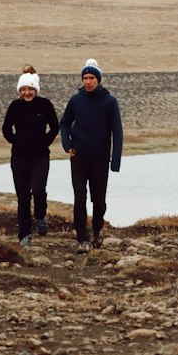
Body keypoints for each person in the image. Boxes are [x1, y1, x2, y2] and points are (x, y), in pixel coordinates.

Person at [59, 58, 123, 251]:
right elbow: (64, 123)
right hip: (78, 157)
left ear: (98, 79)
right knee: (79, 198)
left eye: (91, 78)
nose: (88, 81)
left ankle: (97, 230)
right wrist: (67, 145)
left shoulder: (110, 102)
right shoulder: (76, 100)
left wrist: (116, 161)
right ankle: (82, 238)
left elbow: (117, 131)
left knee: (98, 199)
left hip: (100, 158)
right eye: (85, 78)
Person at [1, 65, 60, 247]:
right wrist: (15, 141)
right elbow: (6, 128)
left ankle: (41, 216)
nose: (27, 93)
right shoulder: (15, 106)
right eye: (24, 89)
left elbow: (55, 127)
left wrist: (45, 142)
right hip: (19, 158)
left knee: (39, 191)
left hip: (40, 157)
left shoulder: (45, 105)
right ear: (20, 91)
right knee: (23, 197)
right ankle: (24, 235)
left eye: (30, 89)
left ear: (36, 89)